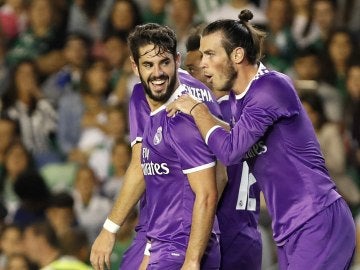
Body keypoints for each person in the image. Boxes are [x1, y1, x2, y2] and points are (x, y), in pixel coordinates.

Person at [166, 10, 356, 269]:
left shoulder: (271, 88)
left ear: (237, 55)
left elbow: (231, 150)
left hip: (316, 220)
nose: (203, 64)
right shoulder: (237, 98)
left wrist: (198, 109)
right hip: (291, 228)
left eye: (210, 54)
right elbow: (235, 135)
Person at [91, 23, 223, 270]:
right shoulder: (171, 104)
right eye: (148, 65)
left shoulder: (182, 118)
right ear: (134, 66)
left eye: (164, 63)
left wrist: (193, 256)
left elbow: (208, 191)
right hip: (164, 235)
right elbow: (221, 174)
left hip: (179, 240)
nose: (157, 73)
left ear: (177, 60)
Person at [184, 28, 262, 269]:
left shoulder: (207, 118)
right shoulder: (246, 108)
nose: (183, 79)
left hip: (218, 237)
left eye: (189, 70)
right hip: (248, 236)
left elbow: (219, 178)